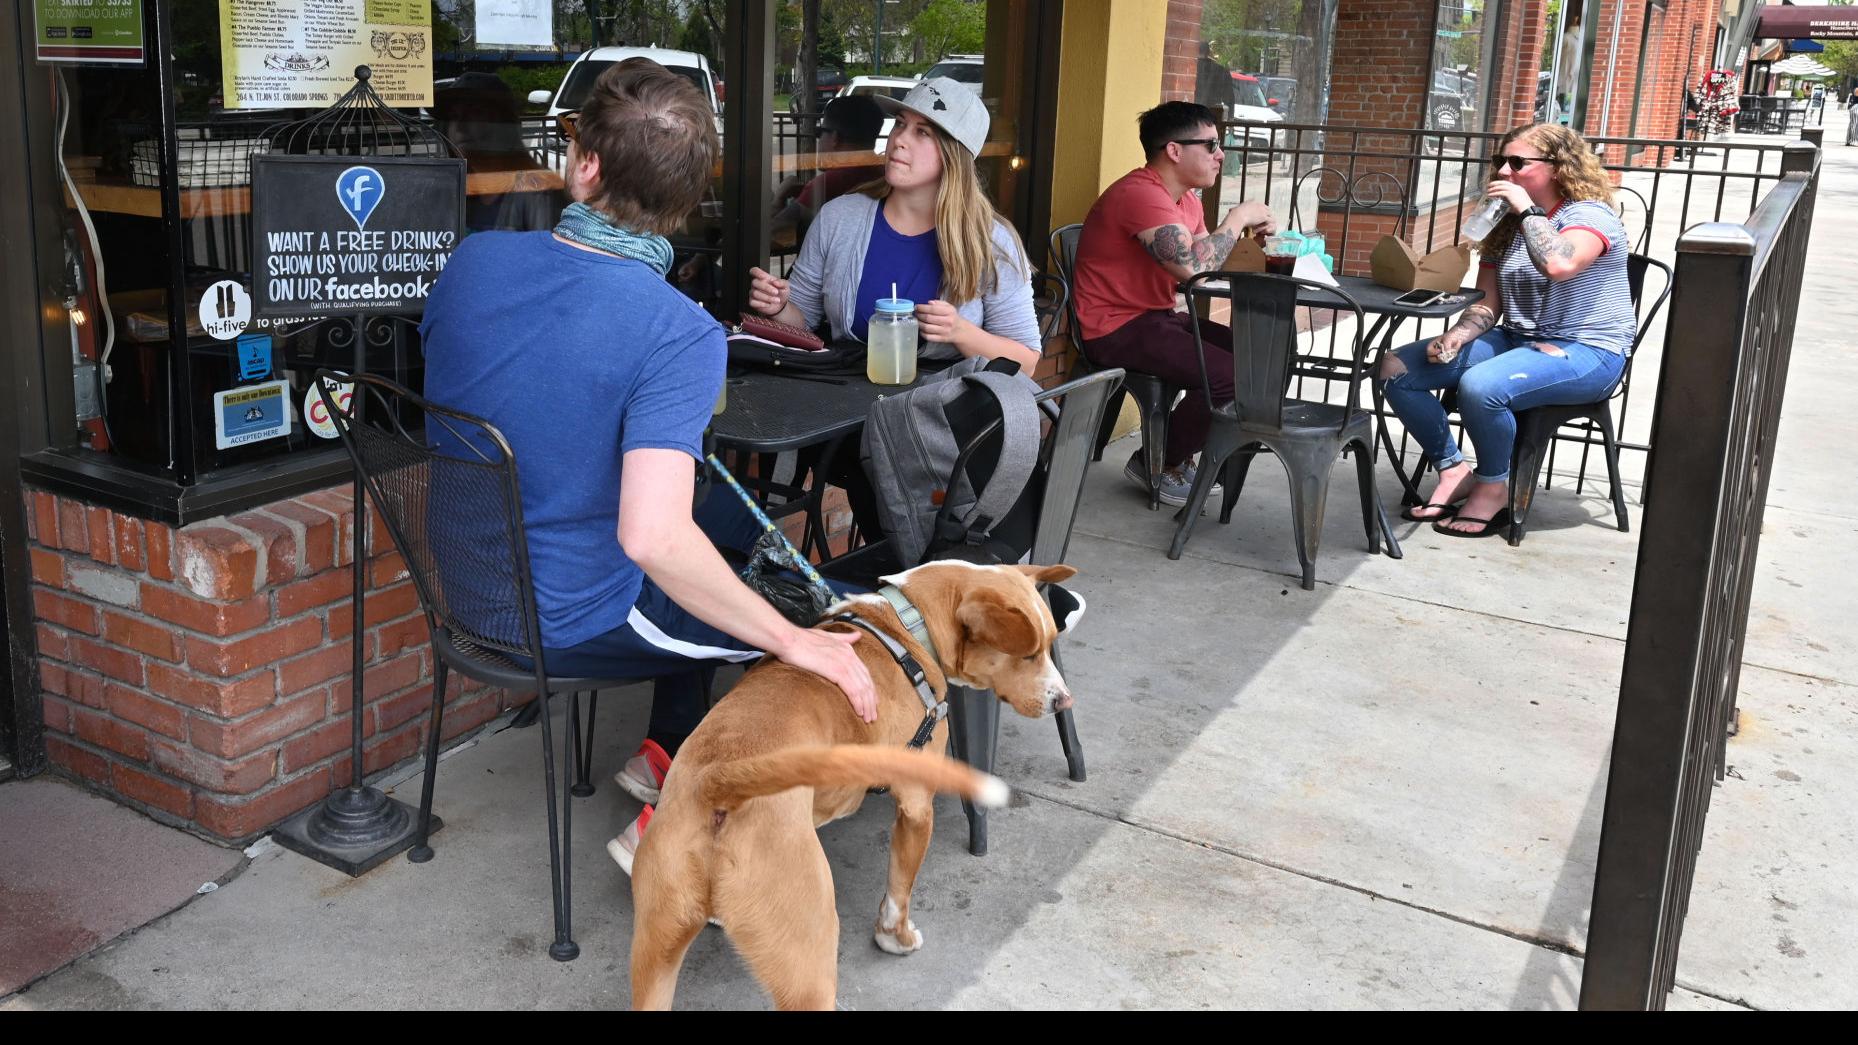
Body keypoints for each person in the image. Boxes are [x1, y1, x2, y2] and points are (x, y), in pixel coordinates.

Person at [419, 59, 876, 871]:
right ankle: (676, 819)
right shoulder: (678, 331)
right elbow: (653, 539)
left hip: (465, 584)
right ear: (687, 198)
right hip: (568, 617)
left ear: (585, 165)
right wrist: (795, 639)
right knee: (803, 624)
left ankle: (665, 752)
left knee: (739, 535)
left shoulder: (473, 262)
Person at [1377, 123, 1636, 538]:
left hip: (1588, 349)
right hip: (1517, 339)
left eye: (1518, 163)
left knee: (1481, 386)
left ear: (1558, 168)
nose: (1504, 173)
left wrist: (1529, 211)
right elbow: (1488, 300)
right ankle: (1452, 470)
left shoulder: (1588, 215)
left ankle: (1493, 485)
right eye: (1500, 162)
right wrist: (1459, 335)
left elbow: (1560, 264)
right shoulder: (1506, 224)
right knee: (1395, 369)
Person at [745, 77, 1041, 375]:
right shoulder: (838, 218)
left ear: (954, 154)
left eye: (922, 132)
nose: (899, 139)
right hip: (842, 402)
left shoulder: (990, 241)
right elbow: (804, 324)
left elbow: (1026, 362)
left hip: (940, 410)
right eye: (900, 124)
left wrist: (962, 332)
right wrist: (780, 308)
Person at [1070, 99, 1278, 507]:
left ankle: (1207, 444)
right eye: (1212, 144)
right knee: (1232, 374)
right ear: (1175, 150)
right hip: (1113, 326)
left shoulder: (1187, 199)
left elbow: (1205, 266)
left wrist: (1252, 242)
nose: (1221, 155)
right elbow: (1189, 269)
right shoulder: (1140, 194)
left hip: (1156, 317)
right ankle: (1159, 460)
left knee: (1262, 354)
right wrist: (1236, 218)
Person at [772, 93, 886, 245]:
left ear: (835, 138)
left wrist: (778, 198)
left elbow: (771, 238)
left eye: (820, 133)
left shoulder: (826, 185)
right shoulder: (885, 175)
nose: (819, 140)